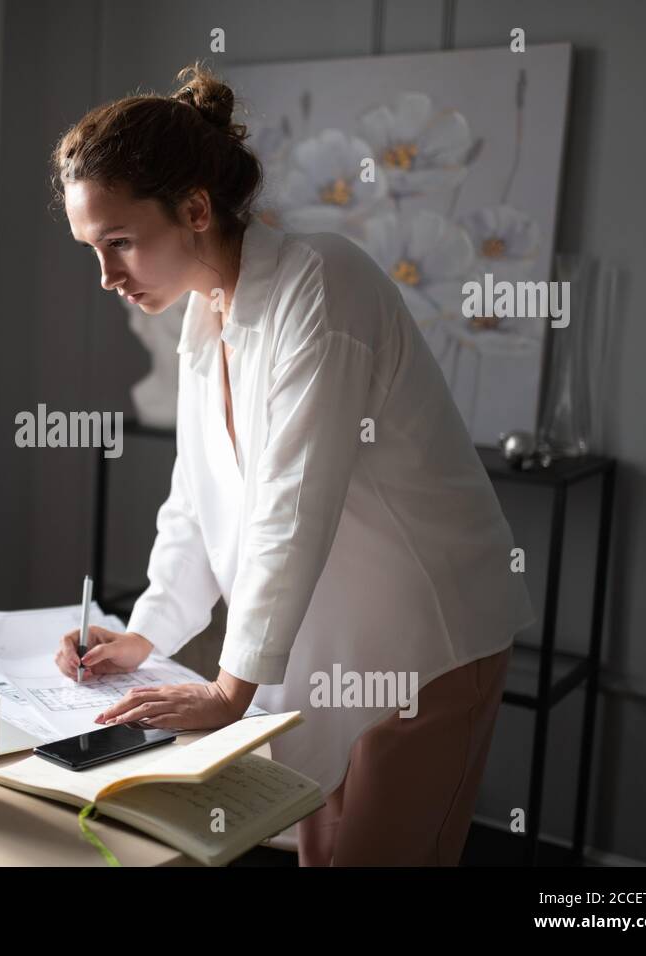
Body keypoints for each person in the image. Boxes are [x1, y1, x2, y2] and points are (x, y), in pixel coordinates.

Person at [46, 62, 536, 866]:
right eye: (92, 250)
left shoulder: (322, 285)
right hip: (331, 643)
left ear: (196, 209)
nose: (107, 277)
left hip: (428, 643)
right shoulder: (207, 318)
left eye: (120, 242)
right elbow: (195, 503)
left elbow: (289, 500)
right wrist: (144, 634)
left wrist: (227, 689)